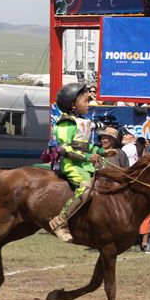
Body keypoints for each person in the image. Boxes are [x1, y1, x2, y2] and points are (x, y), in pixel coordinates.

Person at [49, 82, 110, 243]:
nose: (89, 104)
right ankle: (60, 222)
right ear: (72, 105)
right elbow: (63, 148)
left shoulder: (82, 122)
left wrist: (102, 152)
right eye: (85, 101)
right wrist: (86, 157)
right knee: (85, 189)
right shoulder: (66, 122)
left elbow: (84, 146)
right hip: (72, 166)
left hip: (86, 166)